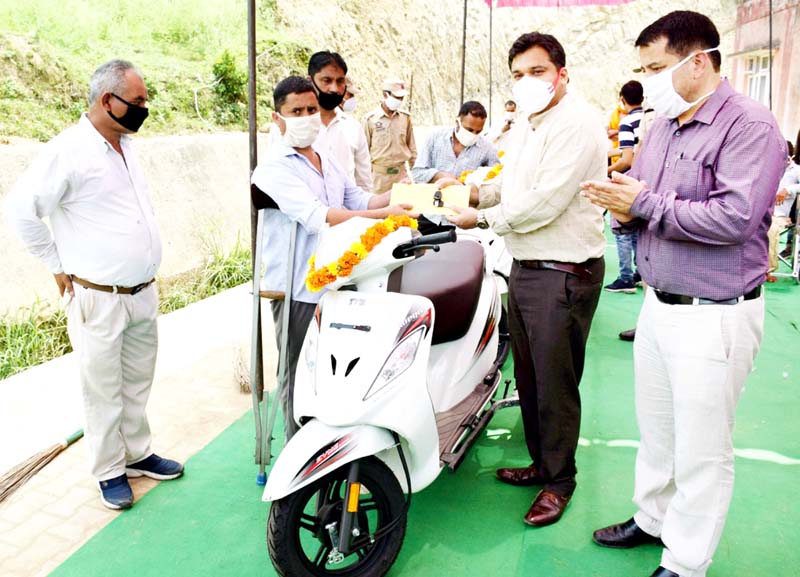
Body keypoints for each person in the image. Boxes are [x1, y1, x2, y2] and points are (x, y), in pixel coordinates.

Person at [581, 11, 786, 577]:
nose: (646, 82)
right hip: (660, 303)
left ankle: (687, 559)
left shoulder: (750, 125)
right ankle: (652, 519)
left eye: (656, 68)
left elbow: (737, 217)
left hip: (713, 313)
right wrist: (620, 200)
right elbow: (644, 196)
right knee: (659, 430)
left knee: (702, 448)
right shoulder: (663, 125)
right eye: (642, 69)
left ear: (699, 62)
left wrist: (642, 205)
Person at [4, 60, 183, 511]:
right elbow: (22, 211)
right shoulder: (68, 151)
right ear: (108, 100)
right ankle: (108, 471)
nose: (145, 109)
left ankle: (137, 454)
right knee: (101, 387)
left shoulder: (124, 144)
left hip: (141, 291)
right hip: (97, 297)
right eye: (138, 102)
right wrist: (55, 264)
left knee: (137, 382)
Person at [445, 32, 607, 527]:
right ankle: (542, 463)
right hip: (529, 267)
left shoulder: (576, 124)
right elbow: (514, 185)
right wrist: (473, 195)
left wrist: (483, 220)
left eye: (537, 71)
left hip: (562, 272)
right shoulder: (530, 125)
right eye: (518, 74)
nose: (527, 81)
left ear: (561, 73)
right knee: (532, 377)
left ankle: (560, 481)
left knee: (555, 384)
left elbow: (545, 201)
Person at [252, 76, 411, 439]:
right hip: (297, 288)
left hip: (340, 284)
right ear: (277, 118)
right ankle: (297, 448)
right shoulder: (274, 168)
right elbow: (320, 216)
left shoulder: (324, 158)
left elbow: (356, 199)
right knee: (297, 372)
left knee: (335, 370)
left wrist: (405, 198)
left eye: (311, 109)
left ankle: (333, 442)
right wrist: (385, 215)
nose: (306, 117)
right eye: (296, 111)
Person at [308, 51, 373, 193]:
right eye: (326, 80)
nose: (334, 88)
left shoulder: (353, 127)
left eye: (340, 81)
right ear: (310, 81)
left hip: (347, 213)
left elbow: (364, 184)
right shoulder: (294, 126)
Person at [605, 80, 645, 294]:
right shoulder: (650, 118)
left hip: (628, 179)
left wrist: (608, 173)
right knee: (638, 229)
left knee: (621, 229)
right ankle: (641, 272)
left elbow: (627, 159)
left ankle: (625, 277)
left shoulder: (627, 121)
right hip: (647, 181)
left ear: (622, 99)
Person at [411, 100, 499, 184]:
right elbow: (417, 173)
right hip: (434, 196)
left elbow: (495, 180)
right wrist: (440, 175)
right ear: (457, 123)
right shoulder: (435, 138)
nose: (473, 134)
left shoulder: (487, 149)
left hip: (465, 198)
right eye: (469, 130)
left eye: (478, 132)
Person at [363, 79, 417, 193]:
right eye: (397, 97)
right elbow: (363, 153)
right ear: (385, 95)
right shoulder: (370, 120)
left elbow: (412, 150)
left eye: (402, 98)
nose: (400, 101)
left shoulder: (405, 118)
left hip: (401, 177)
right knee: (379, 209)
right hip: (378, 180)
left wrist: (417, 175)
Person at [767, 139, 799, 278]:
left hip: (780, 216)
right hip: (762, 212)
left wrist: (788, 189)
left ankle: (767, 270)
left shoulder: (796, 170)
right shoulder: (769, 167)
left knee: (769, 229)